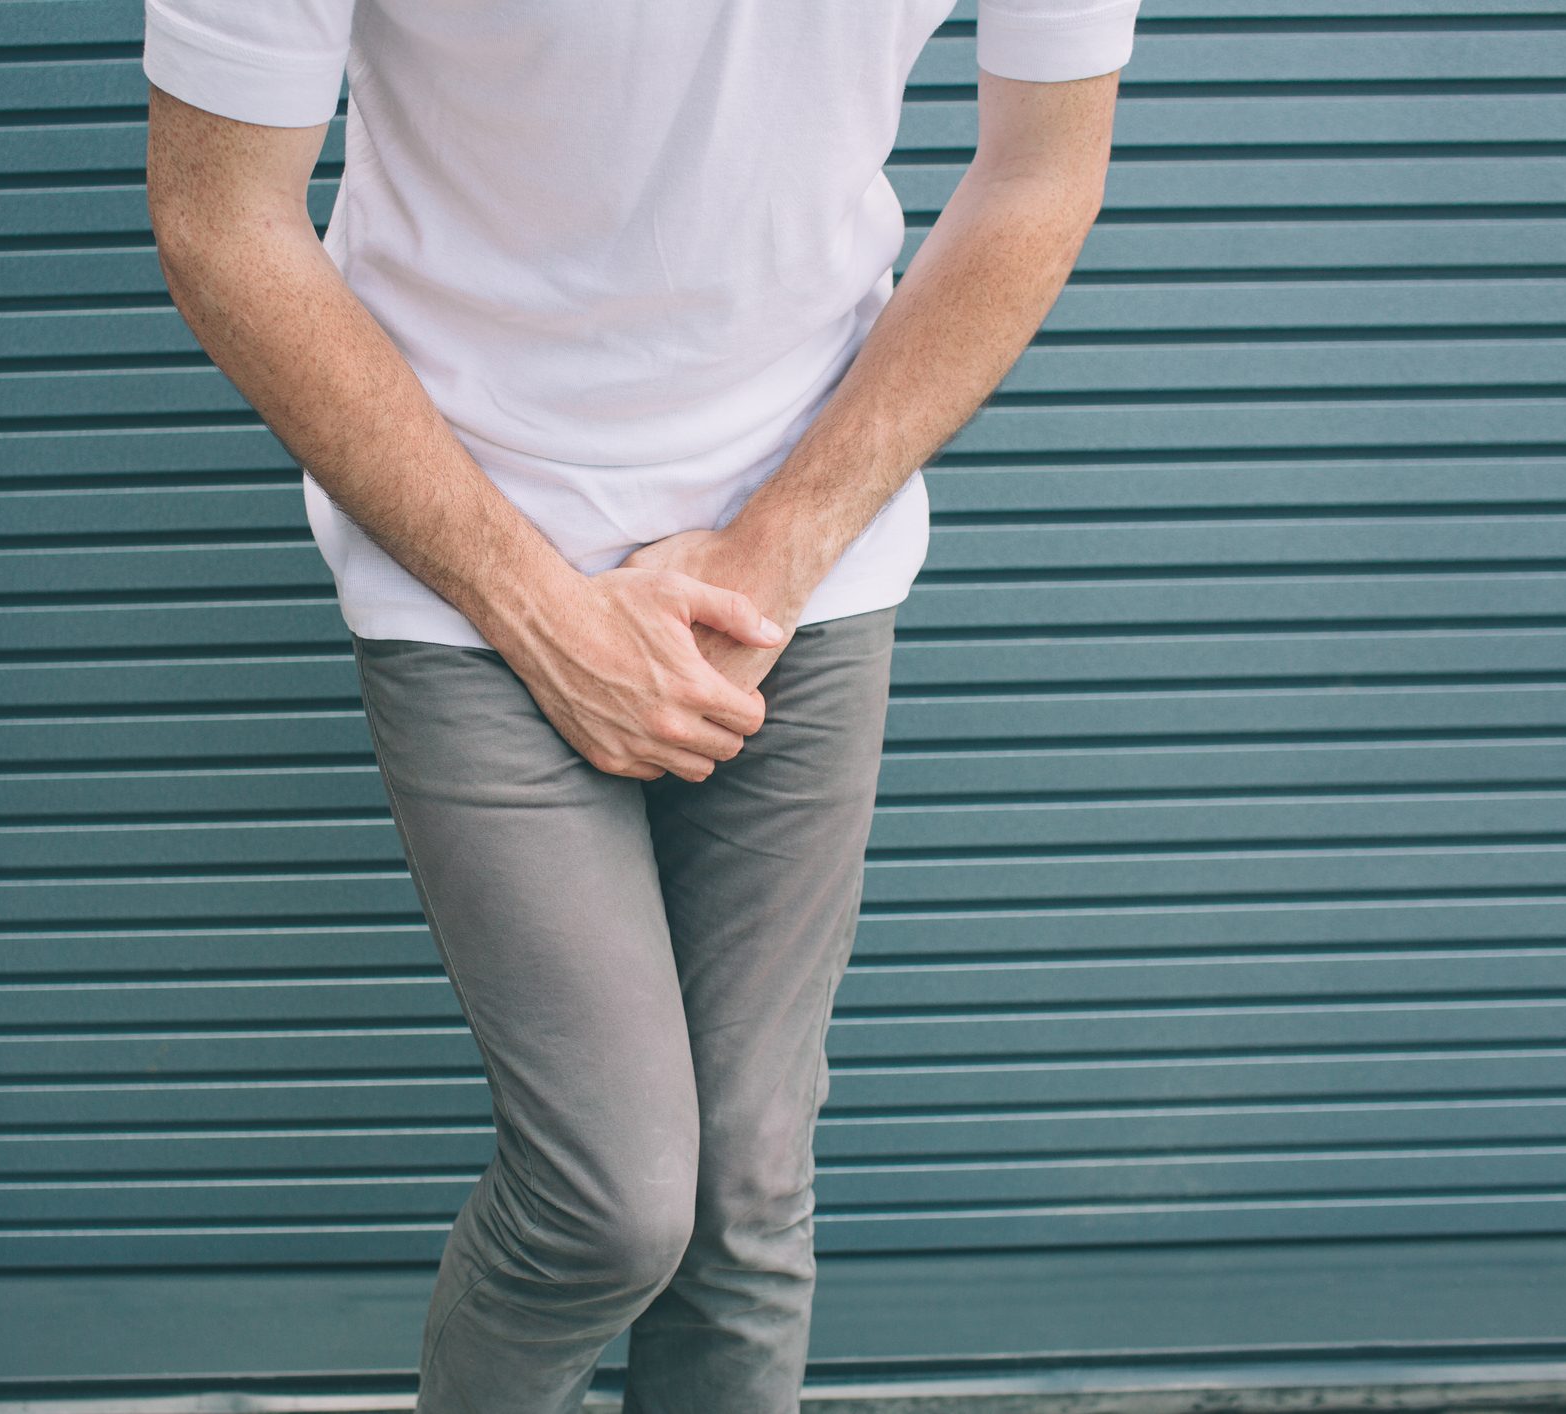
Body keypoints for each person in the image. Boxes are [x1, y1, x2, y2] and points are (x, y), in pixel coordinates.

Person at [140, 1, 1134, 1407]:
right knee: (603, 1202)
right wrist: (539, 611)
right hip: (469, 535)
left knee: (745, 1197)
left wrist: (776, 552)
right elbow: (221, 218)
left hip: (801, 540)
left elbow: (1043, 168)